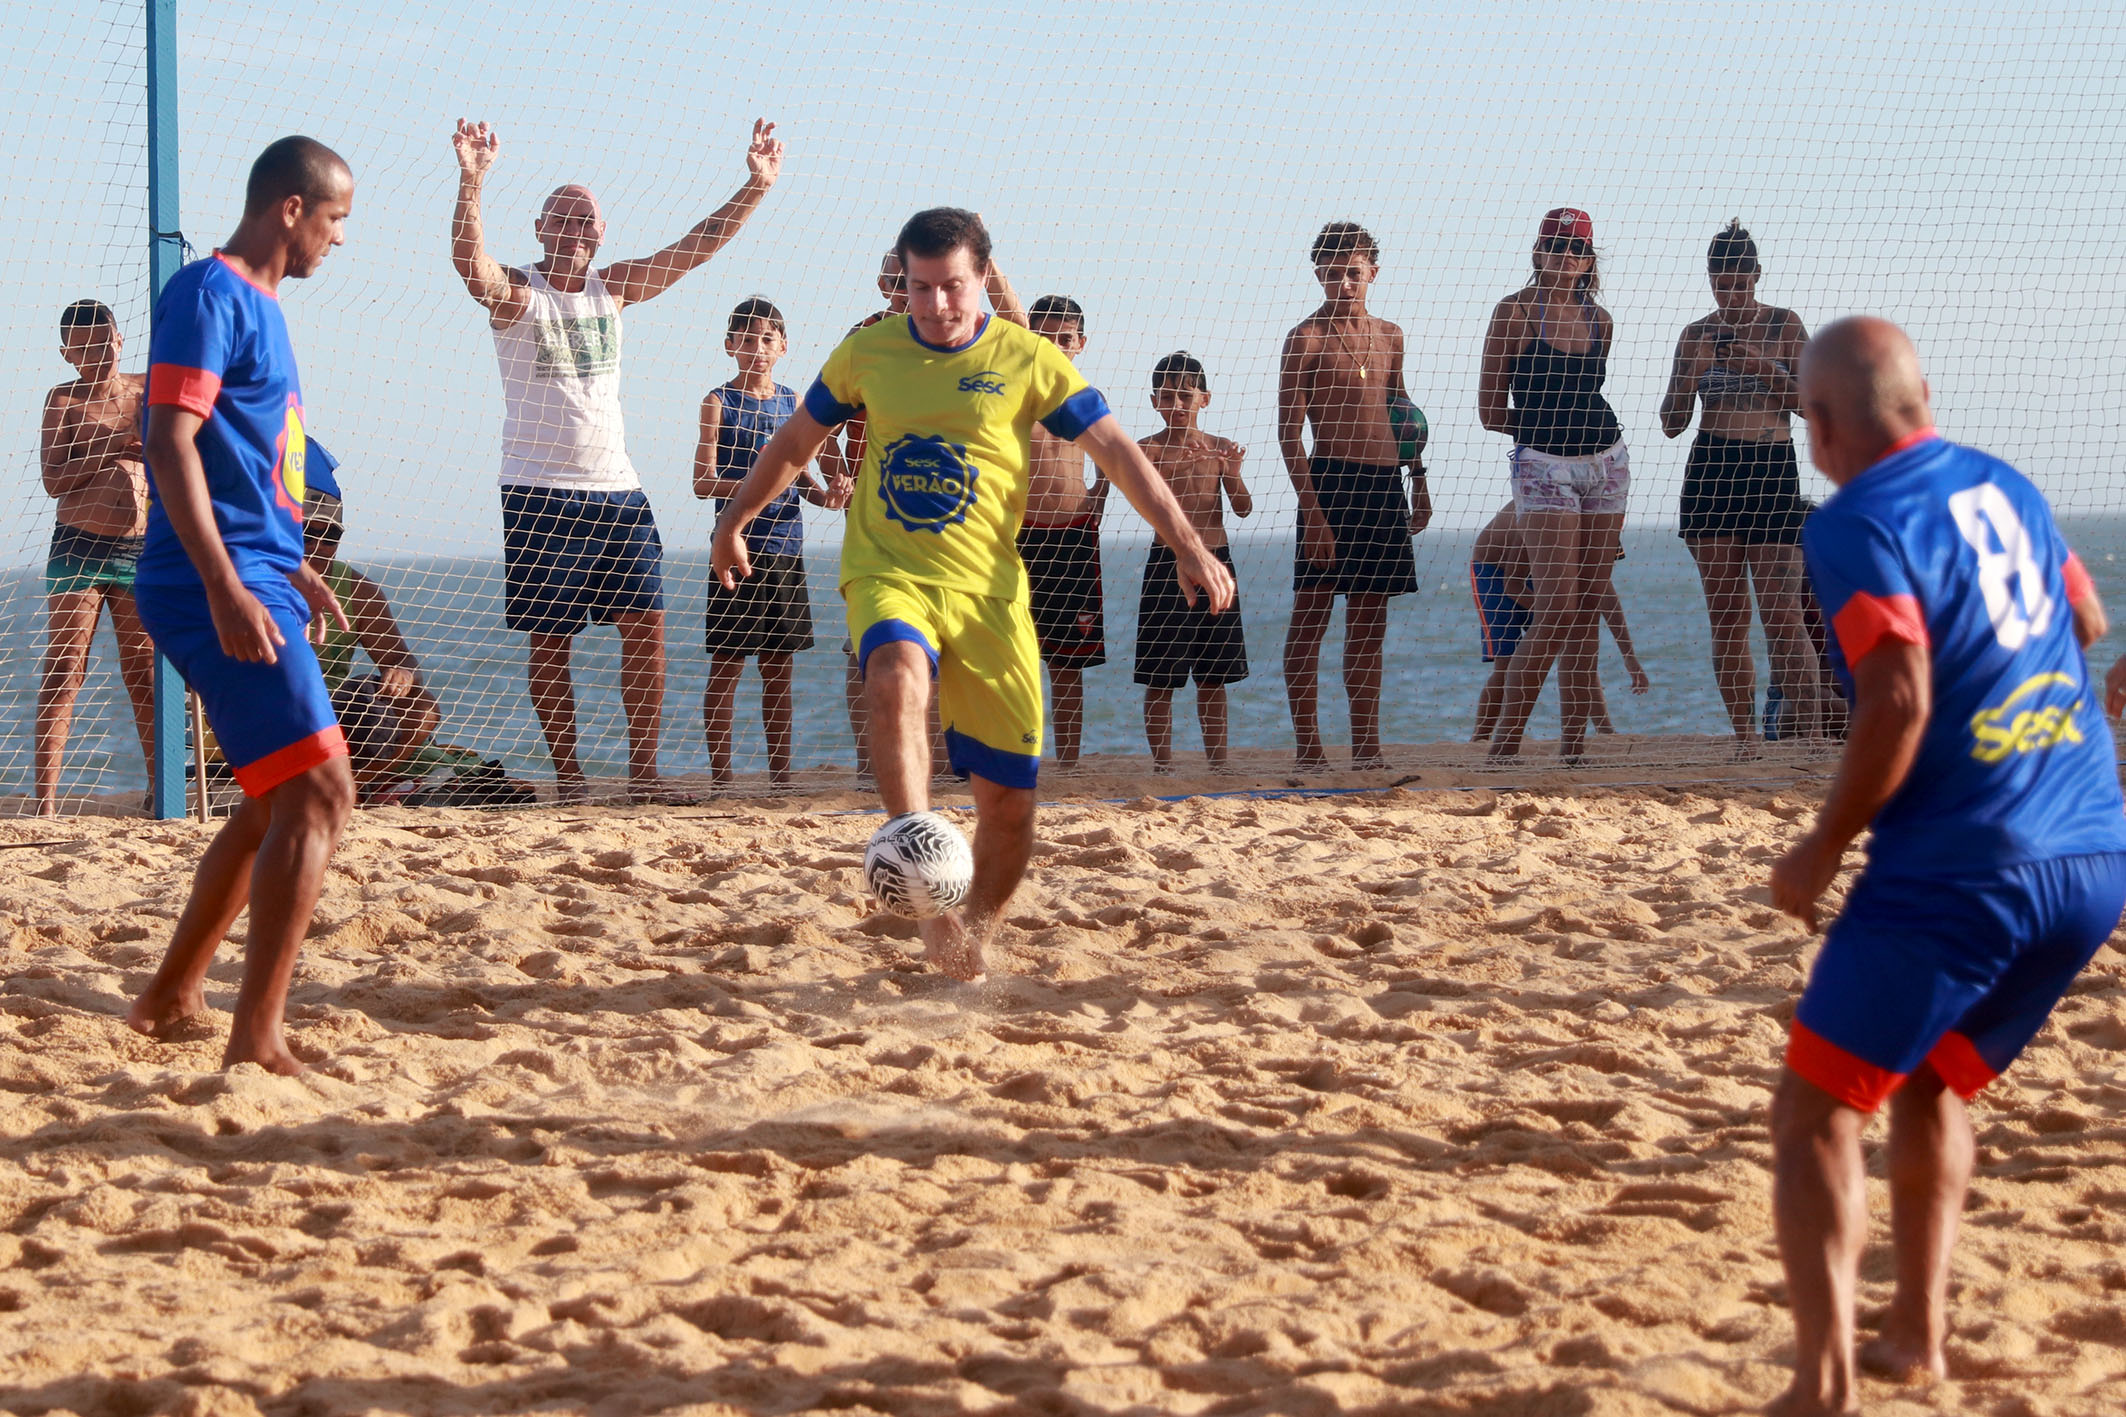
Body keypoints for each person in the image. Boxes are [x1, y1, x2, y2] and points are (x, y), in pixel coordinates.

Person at [712, 208, 1233, 981]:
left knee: (1012, 806)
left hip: (990, 589)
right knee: (893, 673)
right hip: (888, 568)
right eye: (919, 288)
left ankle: (973, 930)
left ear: (982, 278)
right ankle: (920, 870)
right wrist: (734, 519)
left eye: (951, 286)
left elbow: (1117, 450)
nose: (935, 305)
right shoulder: (869, 351)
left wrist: (1188, 543)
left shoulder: (1028, 358)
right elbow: (797, 442)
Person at [1767, 317, 2126, 1416]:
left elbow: (1901, 696)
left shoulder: (1850, 523)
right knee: (1928, 1076)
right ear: (1922, 396)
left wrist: (1819, 847)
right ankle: (1914, 1335)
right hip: (2092, 849)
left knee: (1812, 1112)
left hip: (1968, 864)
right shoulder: (2002, 481)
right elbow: (2083, 614)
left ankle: (1820, 1385)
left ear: (1821, 426)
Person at [449, 116, 784, 802]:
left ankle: (643, 773)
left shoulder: (616, 286)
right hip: (539, 491)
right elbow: (469, 264)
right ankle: (570, 779)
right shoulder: (518, 293)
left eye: (588, 223)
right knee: (551, 641)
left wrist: (756, 186)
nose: (578, 231)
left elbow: (697, 247)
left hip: (618, 491)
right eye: (565, 220)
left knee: (649, 625)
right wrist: (471, 182)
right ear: (541, 228)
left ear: (602, 236)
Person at [124, 136, 358, 1075]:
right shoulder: (207, 294)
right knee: (320, 788)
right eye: (336, 219)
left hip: (258, 571)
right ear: (291, 209)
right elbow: (169, 441)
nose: (340, 240)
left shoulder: (264, 305)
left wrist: (287, 561)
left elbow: (246, 463)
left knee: (273, 797)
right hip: (203, 583)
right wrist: (227, 582)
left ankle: (171, 993)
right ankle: (256, 1036)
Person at [823, 248, 1023, 781]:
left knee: (952, 645)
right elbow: (820, 424)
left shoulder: (966, 331)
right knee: (870, 648)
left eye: (905, 279)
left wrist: (990, 261)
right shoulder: (864, 340)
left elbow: (1022, 332)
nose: (898, 288)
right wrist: (841, 476)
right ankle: (873, 765)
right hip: (880, 527)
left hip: (959, 523)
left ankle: (948, 761)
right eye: (891, 278)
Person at [1660, 219, 1826, 756]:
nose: (1732, 293)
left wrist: (1761, 368)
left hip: (1771, 464)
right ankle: (1745, 737)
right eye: (1722, 284)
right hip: (1713, 468)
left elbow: (1809, 405)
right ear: (1710, 280)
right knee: (1728, 615)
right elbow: (1670, 421)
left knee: (1783, 614)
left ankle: (1816, 739)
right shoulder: (1695, 334)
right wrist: (1689, 378)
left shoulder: (1784, 325)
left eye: (1740, 282)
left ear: (1756, 276)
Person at [1477, 207, 1628, 765]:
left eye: (1576, 248)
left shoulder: (1600, 320)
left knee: (1587, 604)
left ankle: (1573, 749)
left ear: (1589, 259)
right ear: (1537, 251)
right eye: (1555, 245)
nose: (1566, 257)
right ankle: (1505, 745)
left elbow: (1589, 397)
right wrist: (1549, 425)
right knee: (1558, 605)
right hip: (1543, 465)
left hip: (1606, 461)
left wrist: (1573, 423)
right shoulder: (1514, 314)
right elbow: (1491, 411)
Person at [1279, 221, 1427, 772]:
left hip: (1385, 485)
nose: (1344, 283)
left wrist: (1420, 479)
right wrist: (1312, 512)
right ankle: (1309, 748)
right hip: (1330, 483)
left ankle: (1367, 748)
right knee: (1311, 617)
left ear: (1373, 273)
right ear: (1317, 273)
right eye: (1333, 272)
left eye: (1354, 272)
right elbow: (1288, 434)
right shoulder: (1306, 338)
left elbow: (1403, 413)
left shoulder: (1390, 335)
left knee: (1370, 623)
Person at [693, 297, 839, 788]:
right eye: (747, 339)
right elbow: (702, 481)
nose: (757, 349)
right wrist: (758, 485)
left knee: (779, 670)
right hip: (734, 549)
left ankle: (781, 778)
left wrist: (834, 496)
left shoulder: (796, 404)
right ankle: (721, 778)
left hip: (785, 550)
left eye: (767, 339)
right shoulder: (717, 401)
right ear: (731, 345)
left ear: (783, 346)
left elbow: (811, 488)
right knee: (727, 666)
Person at [36, 299, 156, 815]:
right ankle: (45, 802)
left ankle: (160, 788)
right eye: (84, 347)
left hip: (138, 548)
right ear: (68, 352)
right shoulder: (63, 401)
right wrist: (113, 446)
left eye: (104, 342)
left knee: (145, 670)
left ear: (119, 340)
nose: (98, 353)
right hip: (79, 545)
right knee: (66, 668)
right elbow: (53, 480)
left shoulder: (146, 389)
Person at [1136, 352, 1250, 773]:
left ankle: (1218, 764)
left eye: (1185, 396)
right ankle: (1163, 766)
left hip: (1217, 561)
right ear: (1153, 401)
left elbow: (1242, 508)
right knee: (1160, 676)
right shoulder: (1145, 451)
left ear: (1205, 399)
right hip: (1166, 564)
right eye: (1167, 398)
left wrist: (1233, 472)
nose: (1177, 406)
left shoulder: (1219, 449)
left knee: (1213, 676)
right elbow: (1141, 506)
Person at [300, 488, 445, 800]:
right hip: (267, 702)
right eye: (306, 535)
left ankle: (346, 788)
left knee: (422, 706)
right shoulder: (254, 580)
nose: (317, 547)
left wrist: (402, 674)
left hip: (333, 706)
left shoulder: (357, 589)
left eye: (329, 538)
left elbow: (398, 656)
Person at [1468, 503, 1647, 743]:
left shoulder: (1599, 523)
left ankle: (1605, 731)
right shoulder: (1537, 512)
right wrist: (1553, 617)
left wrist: (1629, 655)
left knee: (1577, 647)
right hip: (1495, 570)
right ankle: (1481, 739)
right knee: (1506, 663)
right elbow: (1513, 583)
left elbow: (1603, 590)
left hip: (1542, 568)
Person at [1020, 295, 1107, 770]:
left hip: (1074, 535)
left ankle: (1069, 763)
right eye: (1044, 335)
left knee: (1068, 662)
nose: (1054, 345)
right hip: (1020, 536)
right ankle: (1018, 755)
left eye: (1064, 337)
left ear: (1080, 343)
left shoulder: (1087, 398)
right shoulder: (1015, 396)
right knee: (1014, 656)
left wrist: (1099, 495)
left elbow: (1111, 456)